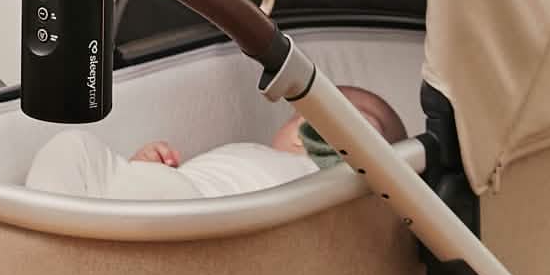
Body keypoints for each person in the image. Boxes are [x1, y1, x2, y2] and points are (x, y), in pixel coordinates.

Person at [24, 84, 406, 200]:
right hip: (175, 186)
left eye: (361, 123)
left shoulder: (332, 189)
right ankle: (48, 226)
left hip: (197, 211)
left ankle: (54, 236)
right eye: (301, 118)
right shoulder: (249, 149)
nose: (315, 126)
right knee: (72, 145)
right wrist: (143, 163)